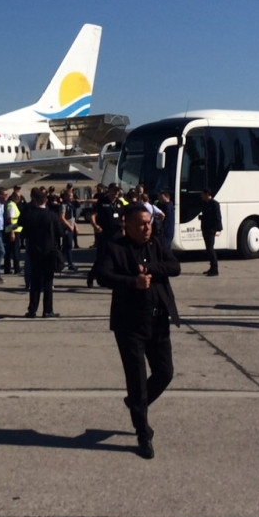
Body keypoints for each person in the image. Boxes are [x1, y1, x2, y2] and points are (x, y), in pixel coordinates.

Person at [92, 204, 182, 460]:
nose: (147, 227)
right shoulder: (115, 247)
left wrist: (152, 269)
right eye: (141, 224)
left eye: (149, 222)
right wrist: (134, 281)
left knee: (165, 373)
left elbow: (175, 267)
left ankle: (134, 403)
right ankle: (143, 434)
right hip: (130, 326)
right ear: (127, 225)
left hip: (159, 321)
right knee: (137, 383)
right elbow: (103, 276)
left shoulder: (155, 244)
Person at [21, 188, 62, 318]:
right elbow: (60, 233)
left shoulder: (29, 215)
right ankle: (47, 310)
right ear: (45, 200)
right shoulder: (51, 215)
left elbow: (23, 232)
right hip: (49, 251)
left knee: (35, 282)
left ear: (34, 200)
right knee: (48, 282)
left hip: (34, 251)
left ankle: (32, 309)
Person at [89, 183, 124, 287]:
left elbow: (123, 217)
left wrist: (124, 225)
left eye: (118, 191)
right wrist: (95, 226)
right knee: (101, 258)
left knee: (117, 258)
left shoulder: (119, 203)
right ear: (109, 190)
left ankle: (114, 280)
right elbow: (93, 216)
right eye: (114, 190)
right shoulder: (102, 202)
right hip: (104, 235)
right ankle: (91, 276)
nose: (116, 193)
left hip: (117, 235)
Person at [198, 188, 223, 277]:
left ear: (207, 194)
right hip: (205, 229)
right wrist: (202, 218)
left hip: (211, 229)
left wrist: (217, 229)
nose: (201, 196)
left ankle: (215, 269)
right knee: (208, 249)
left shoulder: (214, 204)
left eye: (203, 194)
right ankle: (211, 267)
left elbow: (217, 218)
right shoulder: (205, 204)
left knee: (210, 249)